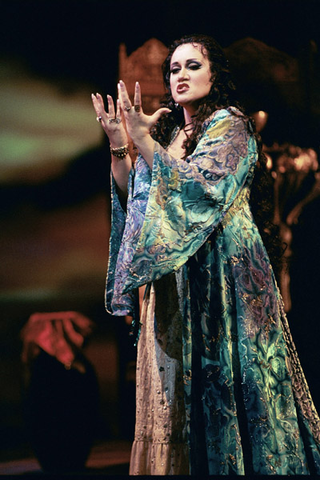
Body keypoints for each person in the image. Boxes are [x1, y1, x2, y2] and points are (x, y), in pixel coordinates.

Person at [91, 34, 320, 475]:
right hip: (177, 285)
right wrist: (122, 142)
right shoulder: (172, 136)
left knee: (234, 390)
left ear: (215, 75)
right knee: (179, 399)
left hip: (225, 280)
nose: (180, 75)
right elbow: (136, 196)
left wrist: (146, 142)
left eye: (192, 66)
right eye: (174, 68)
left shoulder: (231, 124)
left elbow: (201, 189)